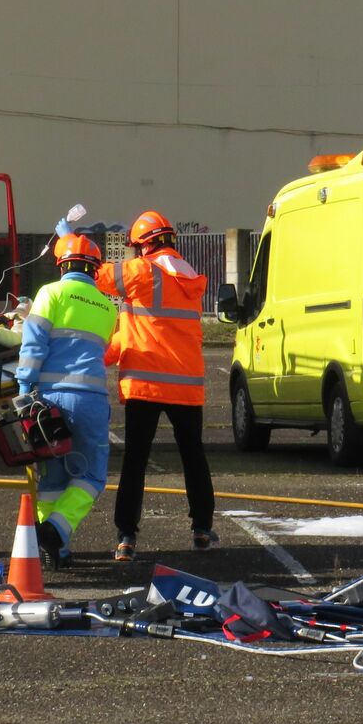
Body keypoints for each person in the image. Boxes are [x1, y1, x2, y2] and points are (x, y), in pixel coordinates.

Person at [96, 210, 216, 561]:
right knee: (193, 457)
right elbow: (135, 332)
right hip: (186, 387)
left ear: (143, 246)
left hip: (146, 385)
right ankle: (202, 529)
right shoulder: (189, 277)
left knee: (135, 460)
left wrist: (68, 241)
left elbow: (98, 275)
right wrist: (105, 355)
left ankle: (126, 537)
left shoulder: (144, 271)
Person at [16, 232, 119, 569]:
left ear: (61, 266)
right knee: (91, 477)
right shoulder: (106, 306)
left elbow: (33, 346)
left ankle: (53, 542)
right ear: (94, 270)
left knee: (53, 477)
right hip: (90, 399)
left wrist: (24, 389)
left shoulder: (50, 293)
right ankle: (56, 534)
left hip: (48, 399)